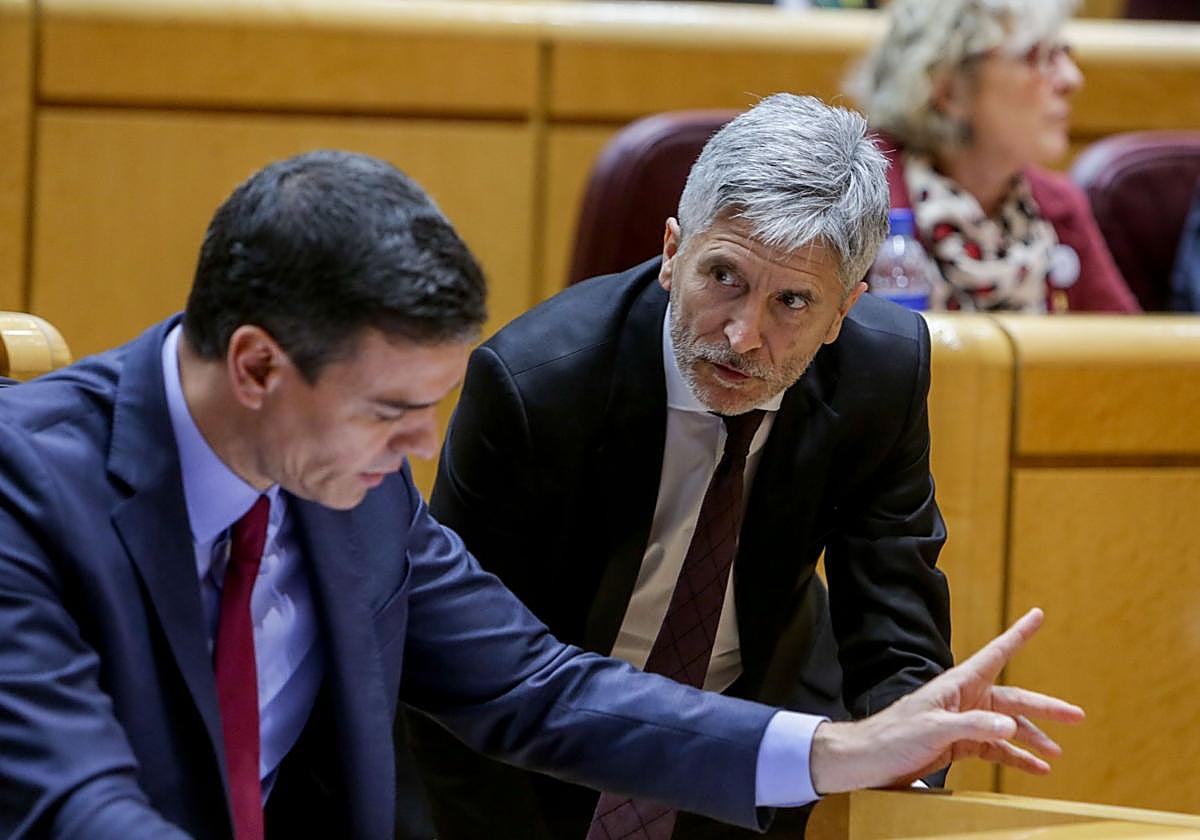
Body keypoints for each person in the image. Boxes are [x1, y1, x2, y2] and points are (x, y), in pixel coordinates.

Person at [0, 149, 1082, 840]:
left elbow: (541, 689)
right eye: (390, 412)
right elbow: (70, 800)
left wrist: (837, 749)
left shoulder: (353, 486)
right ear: (254, 369)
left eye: (431, 405)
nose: (421, 446)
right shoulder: (26, 486)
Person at [409, 93, 953, 839]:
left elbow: (895, 631)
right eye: (723, 276)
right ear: (672, 252)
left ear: (844, 312)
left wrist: (907, 783)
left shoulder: (881, 378)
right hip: (541, 758)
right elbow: (460, 672)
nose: (743, 335)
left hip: (757, 736)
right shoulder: (535, 388)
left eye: (793, 300)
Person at [847, 0, 1140, 314]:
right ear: (949, 89)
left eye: (1064, 53)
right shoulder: (856, 200)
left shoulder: (1058, 206)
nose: (1072, 79)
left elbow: (1132, 359)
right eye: (1038, 56)